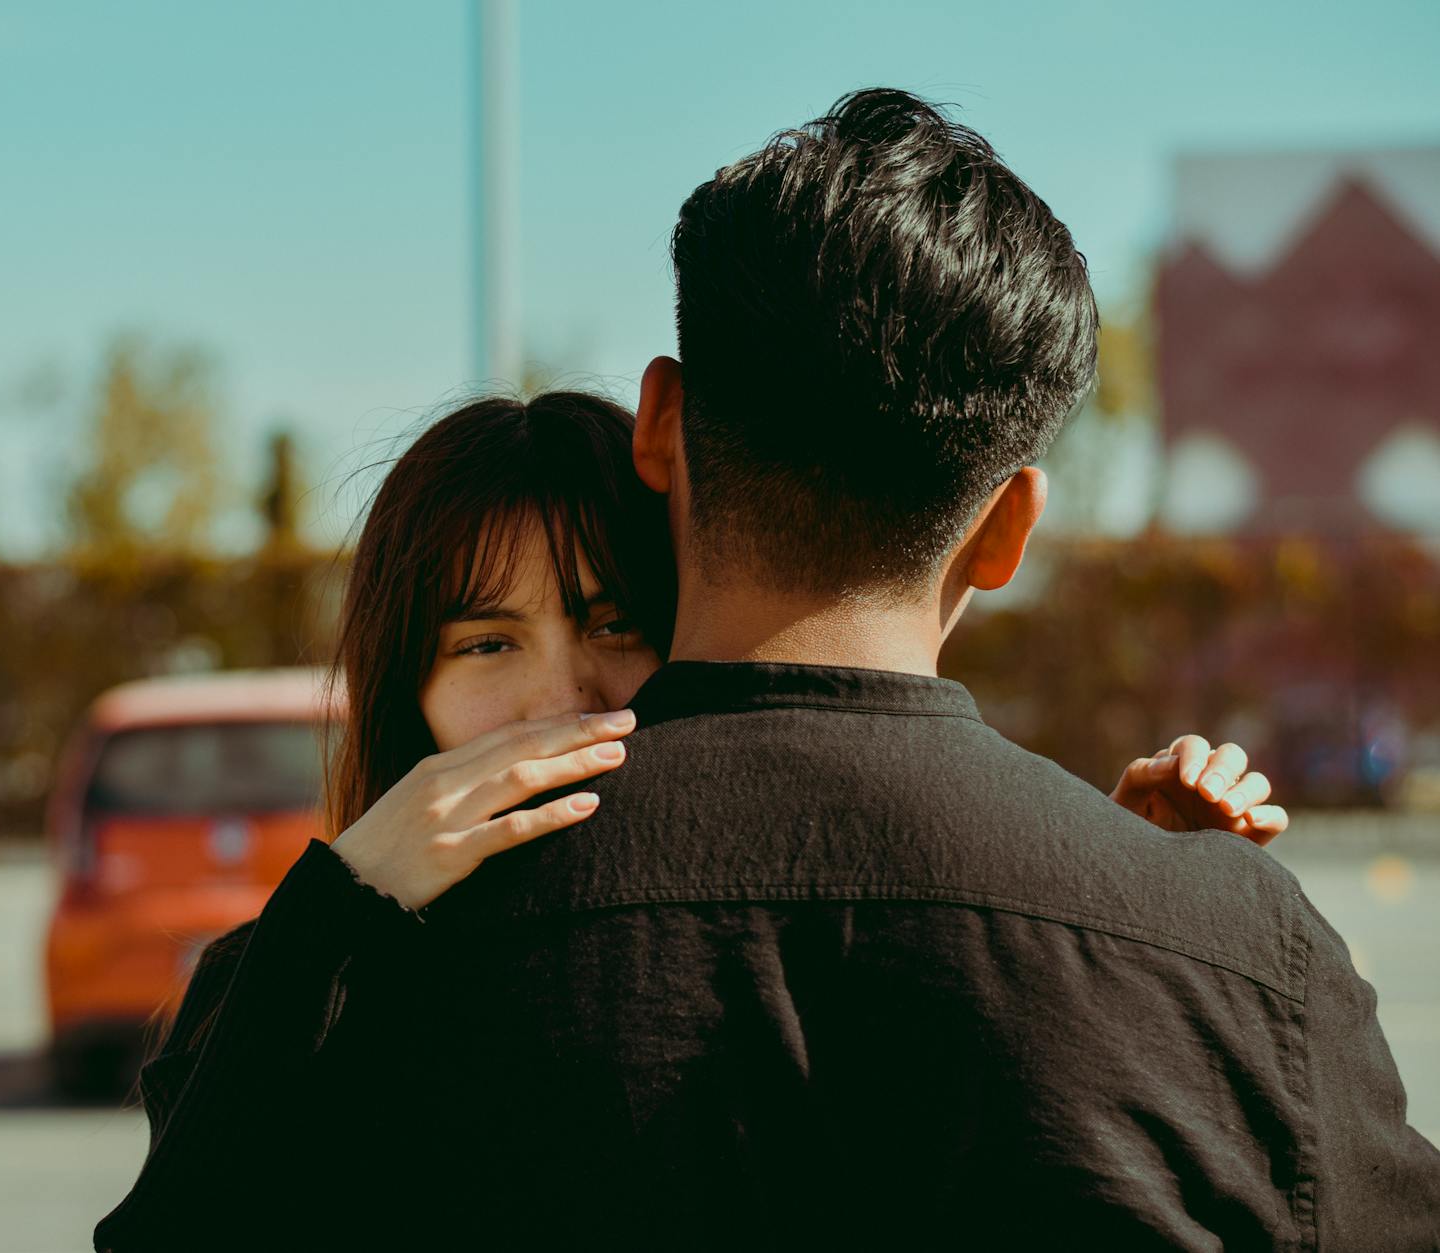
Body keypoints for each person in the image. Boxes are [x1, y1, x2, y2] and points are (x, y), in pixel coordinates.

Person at [99, 88, 1438, 1247]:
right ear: (1012, 528)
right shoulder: (1239, 961)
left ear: (665, 424)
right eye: (486, 638)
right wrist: (1137, 902)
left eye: (597, 619)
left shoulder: (345, 991)